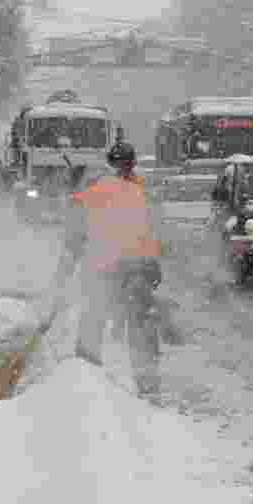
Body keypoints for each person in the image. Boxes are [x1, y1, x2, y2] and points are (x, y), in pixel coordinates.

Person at [53, 141, 164, 398]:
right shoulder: (138, 189)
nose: (123, 170)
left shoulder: (102, 189)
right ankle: (145, 385)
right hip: (132, 266)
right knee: (139, 324)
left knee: (99, 318)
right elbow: (152, 227)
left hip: (111, 267)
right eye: (124, 165)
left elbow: (77, 225)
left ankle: (88, 374)